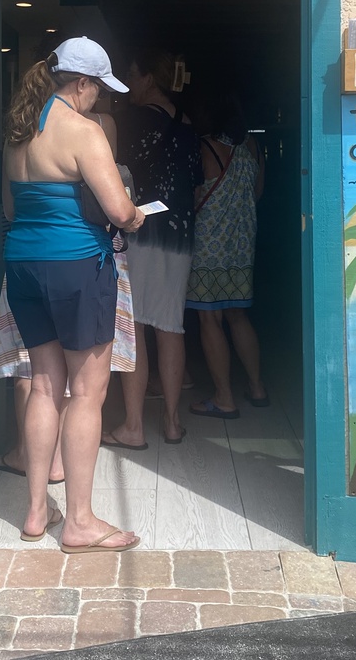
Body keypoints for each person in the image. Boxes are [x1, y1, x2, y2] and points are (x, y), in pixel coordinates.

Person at [3, 36, 144, 553]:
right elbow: (120, 211)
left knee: (43, 384)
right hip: (78, 268)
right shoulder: (83, 131)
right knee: (87, 394)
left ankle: (37, 511)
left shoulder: (20, 131)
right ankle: (80, 521)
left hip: (23, 264)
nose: (99, 100)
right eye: (98, 90)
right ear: (81, 83)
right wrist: (138, 214)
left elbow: (12, 210)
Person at [103, 49, 203, 449]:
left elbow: (112, 172)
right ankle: (173, 421)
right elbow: (194, 186)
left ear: (148, 79)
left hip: (139, 230)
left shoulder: (133, 121)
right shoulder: (188, 125)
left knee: (136, 325)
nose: (128, 84)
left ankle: (132, 426)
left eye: (132, 74)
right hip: (180, 236)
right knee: (170, 325)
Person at [185, 90, 269, 418]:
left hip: (208, 247)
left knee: (210, 318)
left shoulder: (205, 147)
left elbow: (193, 198)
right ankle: (257, 387)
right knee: (238, 315)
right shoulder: (252, 147)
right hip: (242, 245)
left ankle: (223, 397)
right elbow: (258, 192)